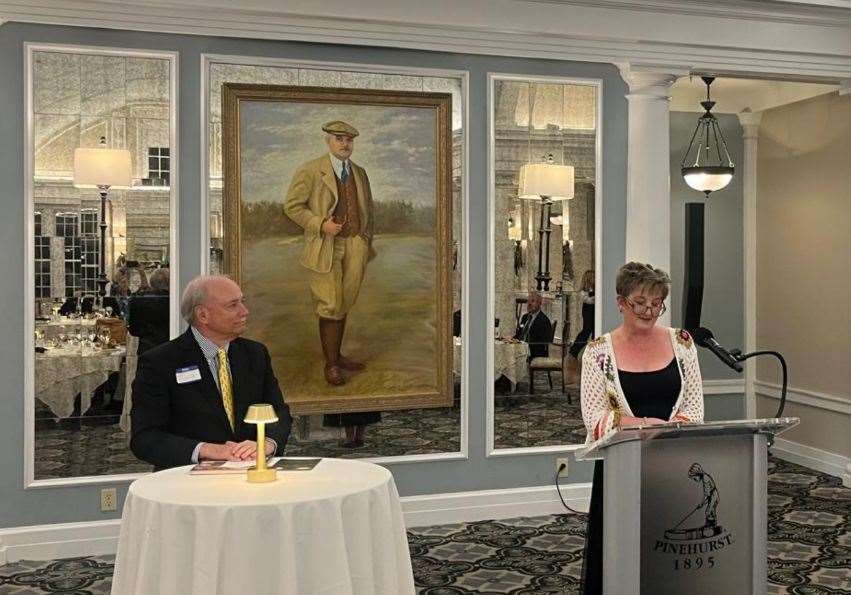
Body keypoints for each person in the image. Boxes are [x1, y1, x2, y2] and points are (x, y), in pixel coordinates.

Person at [579, 262, 704, 595]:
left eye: (657, 304)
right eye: (640, 303)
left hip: (671, 468)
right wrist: (641, 425)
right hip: (620, 470)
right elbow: (594, 418)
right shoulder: (598, 353)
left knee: (668, 559)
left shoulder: (683, 343)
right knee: (621, 562)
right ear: (621, 302)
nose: (649, 311)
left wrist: (668, 431)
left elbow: (695, 408)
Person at [130, 275, 293, 470]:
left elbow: (279, 412)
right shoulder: (160, 362)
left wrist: (266, 444)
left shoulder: (255, 354)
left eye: (242, 302)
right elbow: (145, 438)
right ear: (203, 315)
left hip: (251, 477)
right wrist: (207, 450)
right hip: (188, 483)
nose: (245, 311)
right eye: (233, 305)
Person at [283, 120, 379, 447]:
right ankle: (332, 364)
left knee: (345, 300)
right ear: (328, 141)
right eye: (340, 139)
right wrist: (320, 224)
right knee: (330, 302)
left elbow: (369, 209)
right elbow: (292, 207)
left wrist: (365, 238)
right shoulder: (311, 170)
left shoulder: (360, 172)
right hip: (325, 244)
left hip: (354, 244)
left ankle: (336, 354)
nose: (345, 144)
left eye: (349, 139)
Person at [127, 267, 170, 355]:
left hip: (146, 350)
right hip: (169, 349)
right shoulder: (173, 301)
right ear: (169, 283)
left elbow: (133, 330)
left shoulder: (138, 300)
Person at [513, 291, 552, 359]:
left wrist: (525, 346)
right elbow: (519, 334)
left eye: (533, 301)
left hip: (534, 354)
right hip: (520, 350)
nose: (529, 304)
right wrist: (511, 340)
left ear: (540, 303)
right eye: (528, 301)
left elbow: (543, 344)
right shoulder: (525, 317)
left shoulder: (544, 321)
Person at [569, 269, 595, 359]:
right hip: (588, 311)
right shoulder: (583, 291)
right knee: (586, 330)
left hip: (593, 310)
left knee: (594, 330)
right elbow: (589, 301)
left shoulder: (594, 290)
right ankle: (574, 350)